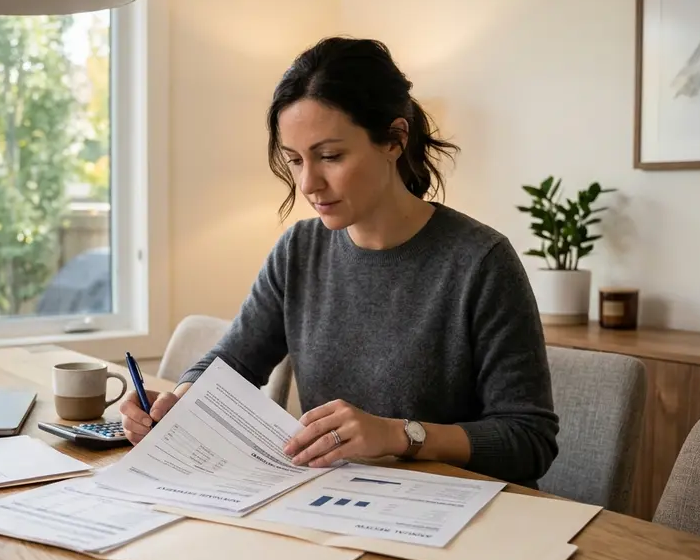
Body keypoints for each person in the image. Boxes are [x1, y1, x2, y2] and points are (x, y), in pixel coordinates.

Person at [119, 36, 559, 487]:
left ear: (395, 139)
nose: (309, 183)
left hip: (456, 515)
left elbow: (530, 441)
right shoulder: (299, 251)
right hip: (335, 504)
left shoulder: (481, 262)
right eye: (294, 160)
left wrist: (396, 434)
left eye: (330, 156)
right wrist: (179, 402)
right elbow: (233, 361)